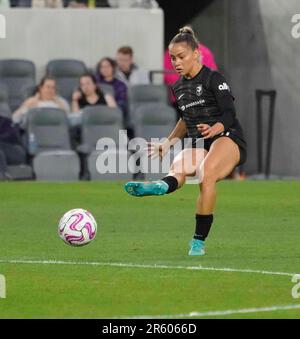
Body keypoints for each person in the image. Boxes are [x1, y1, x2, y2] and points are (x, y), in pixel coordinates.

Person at [124, 27, 247, 256]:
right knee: (178, 168)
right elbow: (184, 119)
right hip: (202, 143)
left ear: (196, 54)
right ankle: (159, 186)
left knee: (206, 173)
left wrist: (215, 128)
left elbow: (229, 113)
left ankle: (198, 242)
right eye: (172, 58)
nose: (176, 62)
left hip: (227, 138)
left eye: (181, 57)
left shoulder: (213, 78)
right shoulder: (179, 87)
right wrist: (167, 143)